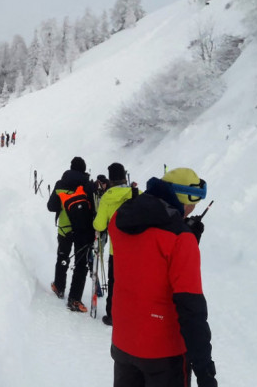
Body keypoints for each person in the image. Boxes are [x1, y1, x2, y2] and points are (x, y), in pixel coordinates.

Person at [108, 168, 216, 387]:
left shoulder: (120, 219)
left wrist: (183, 232)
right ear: (183, 199)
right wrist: (205, 373)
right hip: (164, 354)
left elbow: (144, 258)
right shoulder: (180, 240)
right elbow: (191, 310)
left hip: (123, 343)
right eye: (191, 205)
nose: (191, 210)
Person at [47, 157, 96, 313]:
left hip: (65, 228)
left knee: (63, 257)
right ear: (83, 169)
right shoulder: (88, 185)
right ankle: (74, 299)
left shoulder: (61, 184)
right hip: (83, 230)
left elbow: (51, 206)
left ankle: (59, 287)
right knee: (81, 264)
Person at [92, 163, 137, 326]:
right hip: (138, 248)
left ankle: (112, 315)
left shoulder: (107, 197)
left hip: (116, 249)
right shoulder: (135, 193)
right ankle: (133, 314)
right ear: (124, 176)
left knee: (115, 282)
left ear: (110, 178)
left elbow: (100, 225)